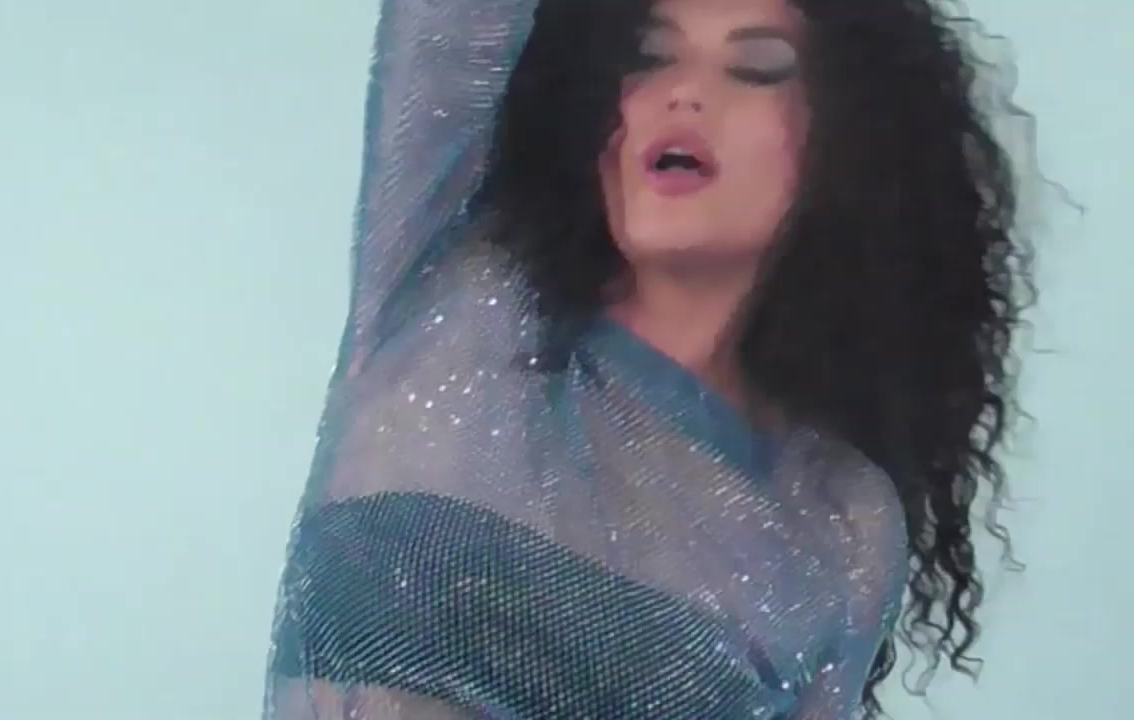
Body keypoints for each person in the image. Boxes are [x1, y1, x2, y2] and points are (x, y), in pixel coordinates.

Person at [264, 0, 1034, 717]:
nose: (683, 93)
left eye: (756, 69)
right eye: (648, 57)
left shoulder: (839, 518)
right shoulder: (455, 292)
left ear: (847, 146)